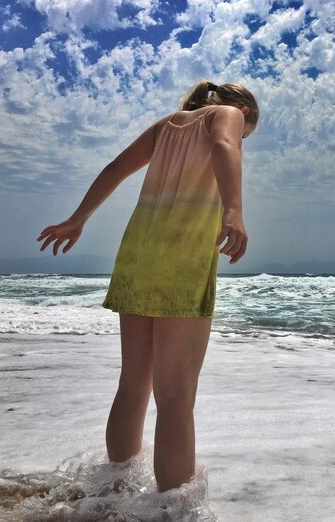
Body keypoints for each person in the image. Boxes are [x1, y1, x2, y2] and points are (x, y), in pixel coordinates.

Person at [36, 79, 259, 494]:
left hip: (137, 257)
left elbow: (116, 169)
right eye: (247, 134)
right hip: (182, 262)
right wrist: (233, 210)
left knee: (133, 384)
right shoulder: (227, 115)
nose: (240, 137)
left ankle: (115, 488)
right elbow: (225, 147)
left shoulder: (166, 126)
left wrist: (77, 219)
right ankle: (172, 510)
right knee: (175, 397)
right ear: (244, 113)